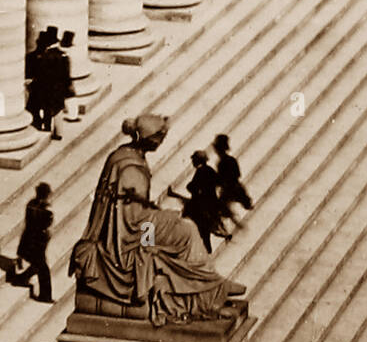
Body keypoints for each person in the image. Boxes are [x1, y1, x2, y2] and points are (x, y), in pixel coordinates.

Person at [70, 113, 241, 325]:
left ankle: (212, 285)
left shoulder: (126, 155)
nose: (161, 143)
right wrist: (151, 237)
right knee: (186, 232)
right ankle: (208, 292)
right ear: (148, 139)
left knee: (185, 226)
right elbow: (132, 222)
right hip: (127, 239)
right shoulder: (130, 167)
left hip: (134, 226)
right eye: (159, 139)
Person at [169, 150, 229, 253]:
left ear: (197, 161)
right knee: (205, 230)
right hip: (211, 203)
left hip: (201, 206)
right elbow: (218, 181)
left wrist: (190, 187)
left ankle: (206, 250)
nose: (192, 162)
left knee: (202, 230)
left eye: (193, 160)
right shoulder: (209, 169)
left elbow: (193, 187)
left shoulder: (200, 172)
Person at [7, 183, 54, 304]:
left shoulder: (31, 205)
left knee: (38, 265)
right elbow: (47, 225)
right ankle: (45, 296)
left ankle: (21, 279)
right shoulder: (46, 211)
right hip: (38, 242)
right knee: (43, 269)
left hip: (29, 241)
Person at [213, 134, 253, 224]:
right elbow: (238, 174)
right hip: (235, 186)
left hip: (228, 189)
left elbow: (221, 180)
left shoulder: (221, 163)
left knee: (219, 207)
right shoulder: (232, 160)